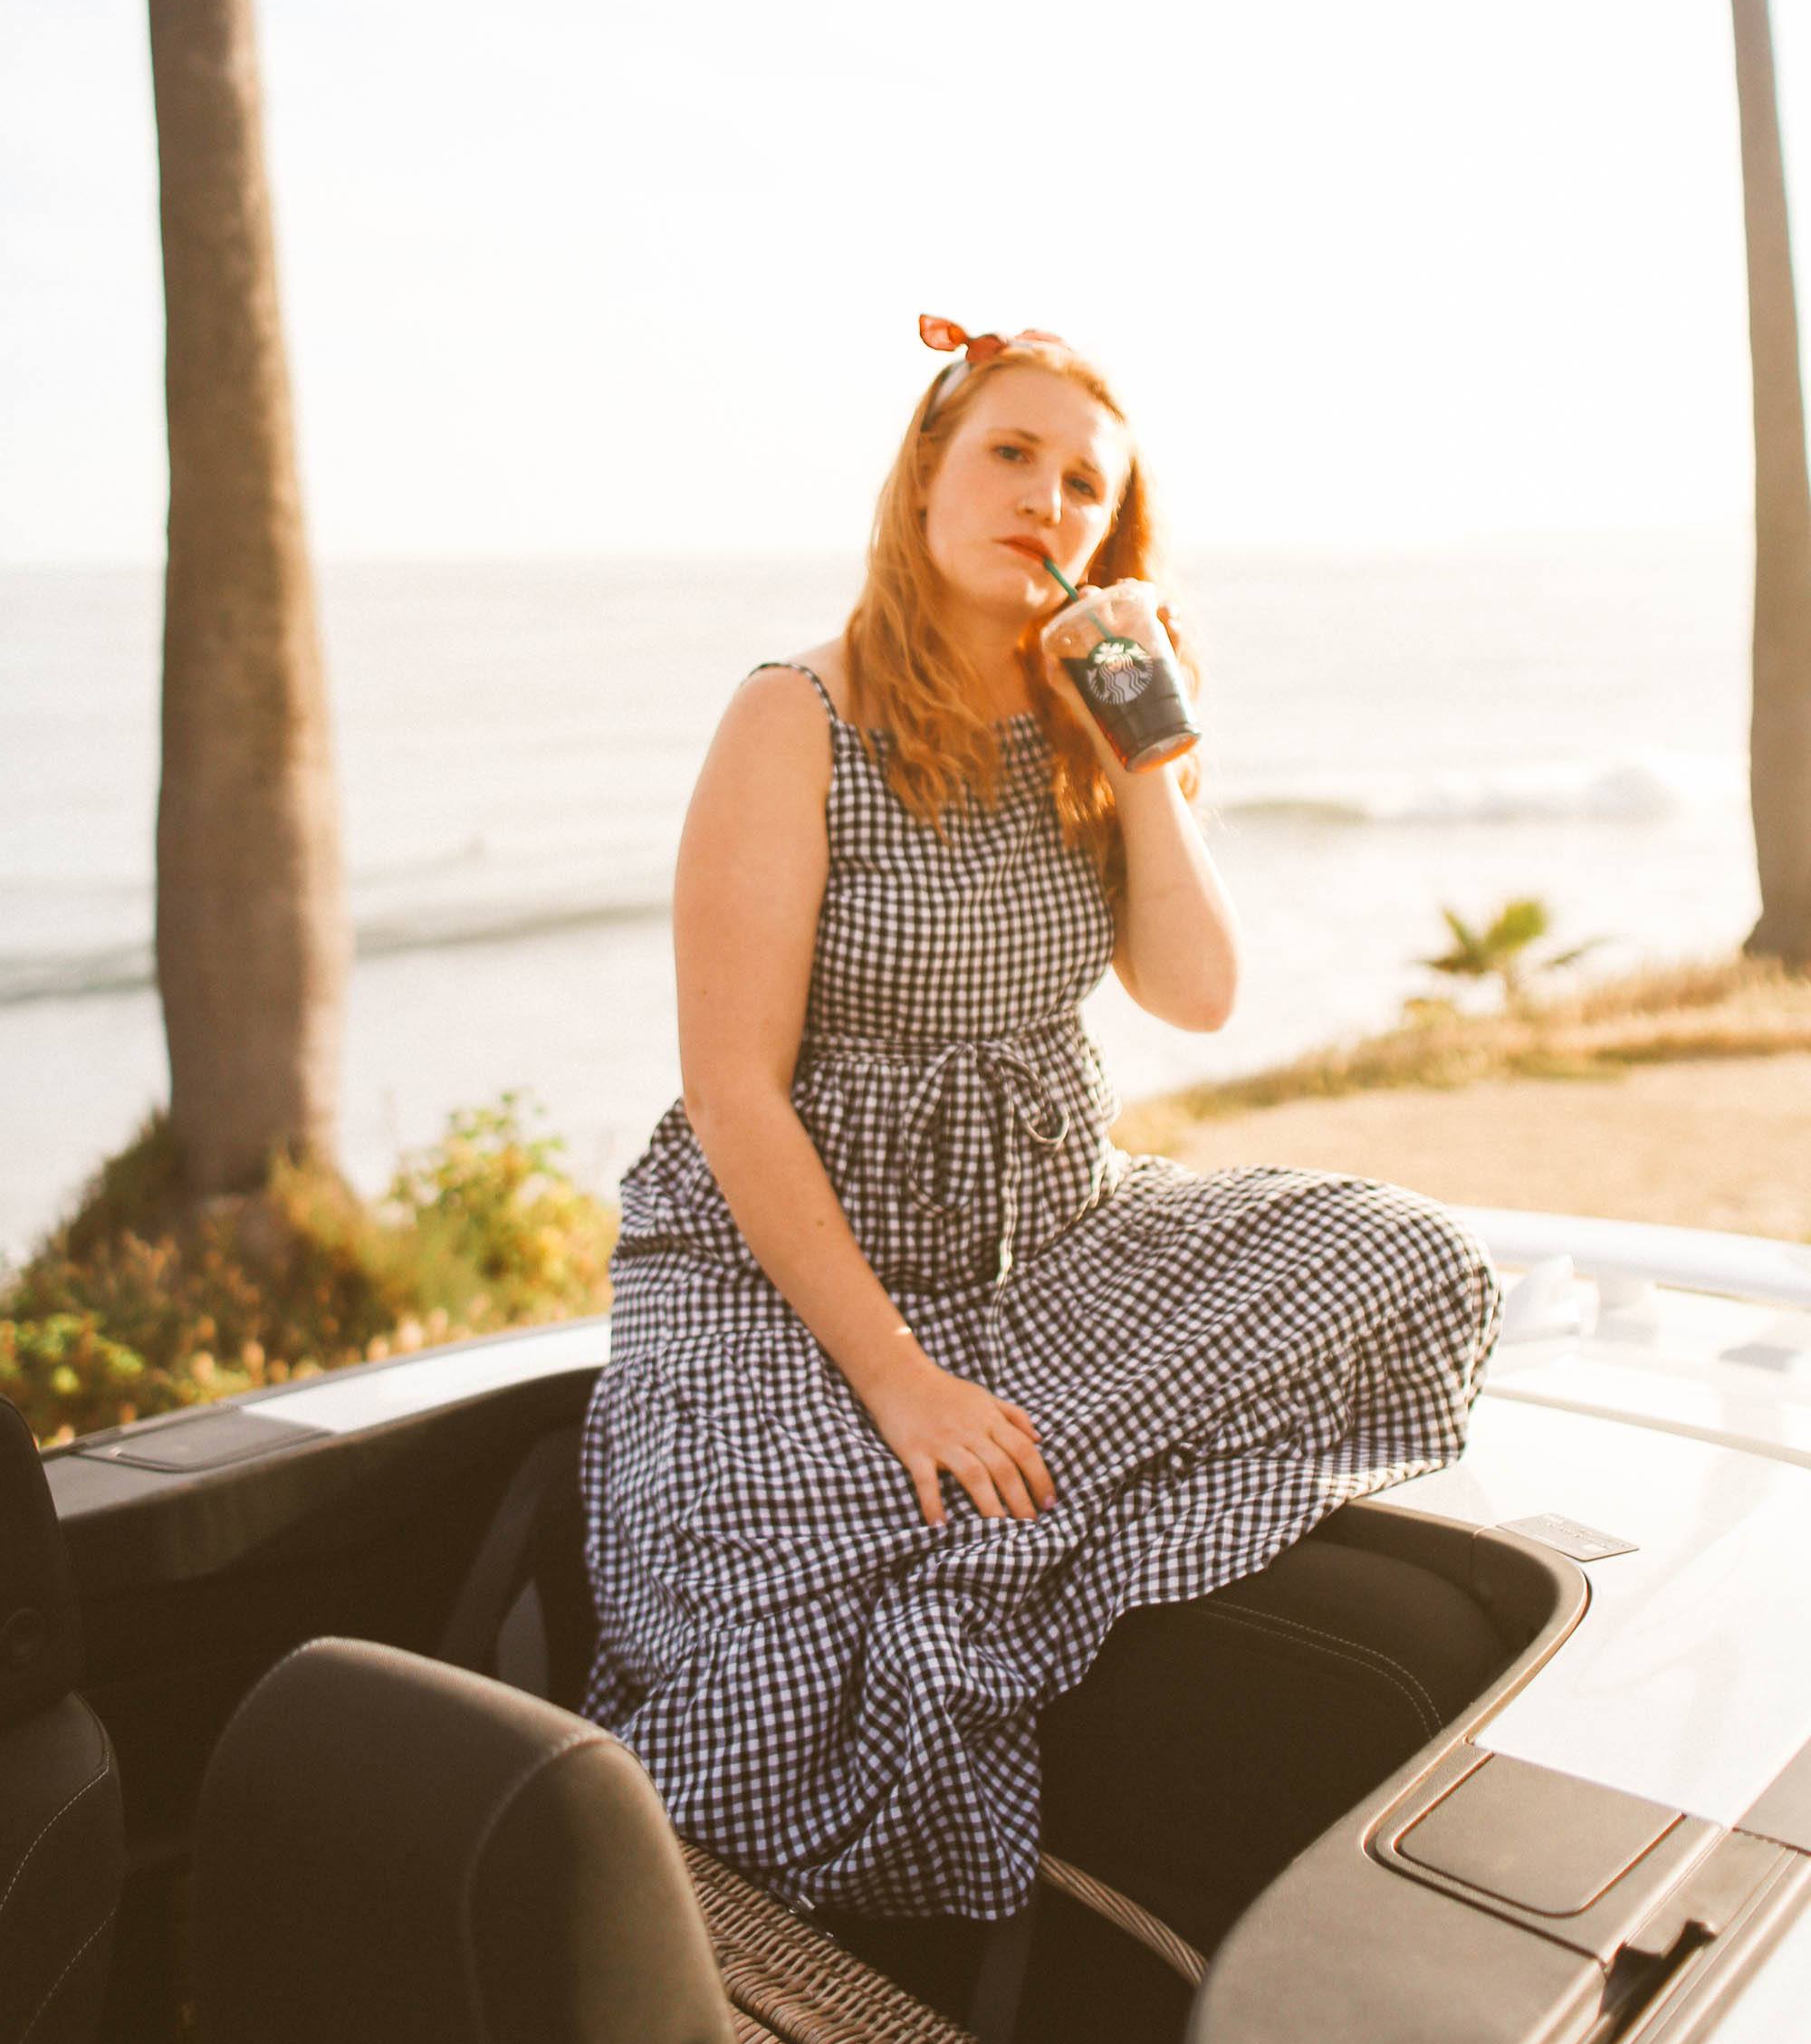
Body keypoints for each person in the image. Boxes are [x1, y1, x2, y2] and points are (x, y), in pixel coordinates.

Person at [580, 320, 1500, 1926]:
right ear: (927, 469)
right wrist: (905, 1384)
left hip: (1048, 1238)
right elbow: (734, 1102)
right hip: (791, 1268)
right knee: (783, 1565)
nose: (1047, 499)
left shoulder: (1105, 720)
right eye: (1012, 453)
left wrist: (1144, 738)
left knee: (1407, 1258)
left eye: (1086, 484)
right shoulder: (795, 716)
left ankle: (1023, 1496)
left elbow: (1196, 992)